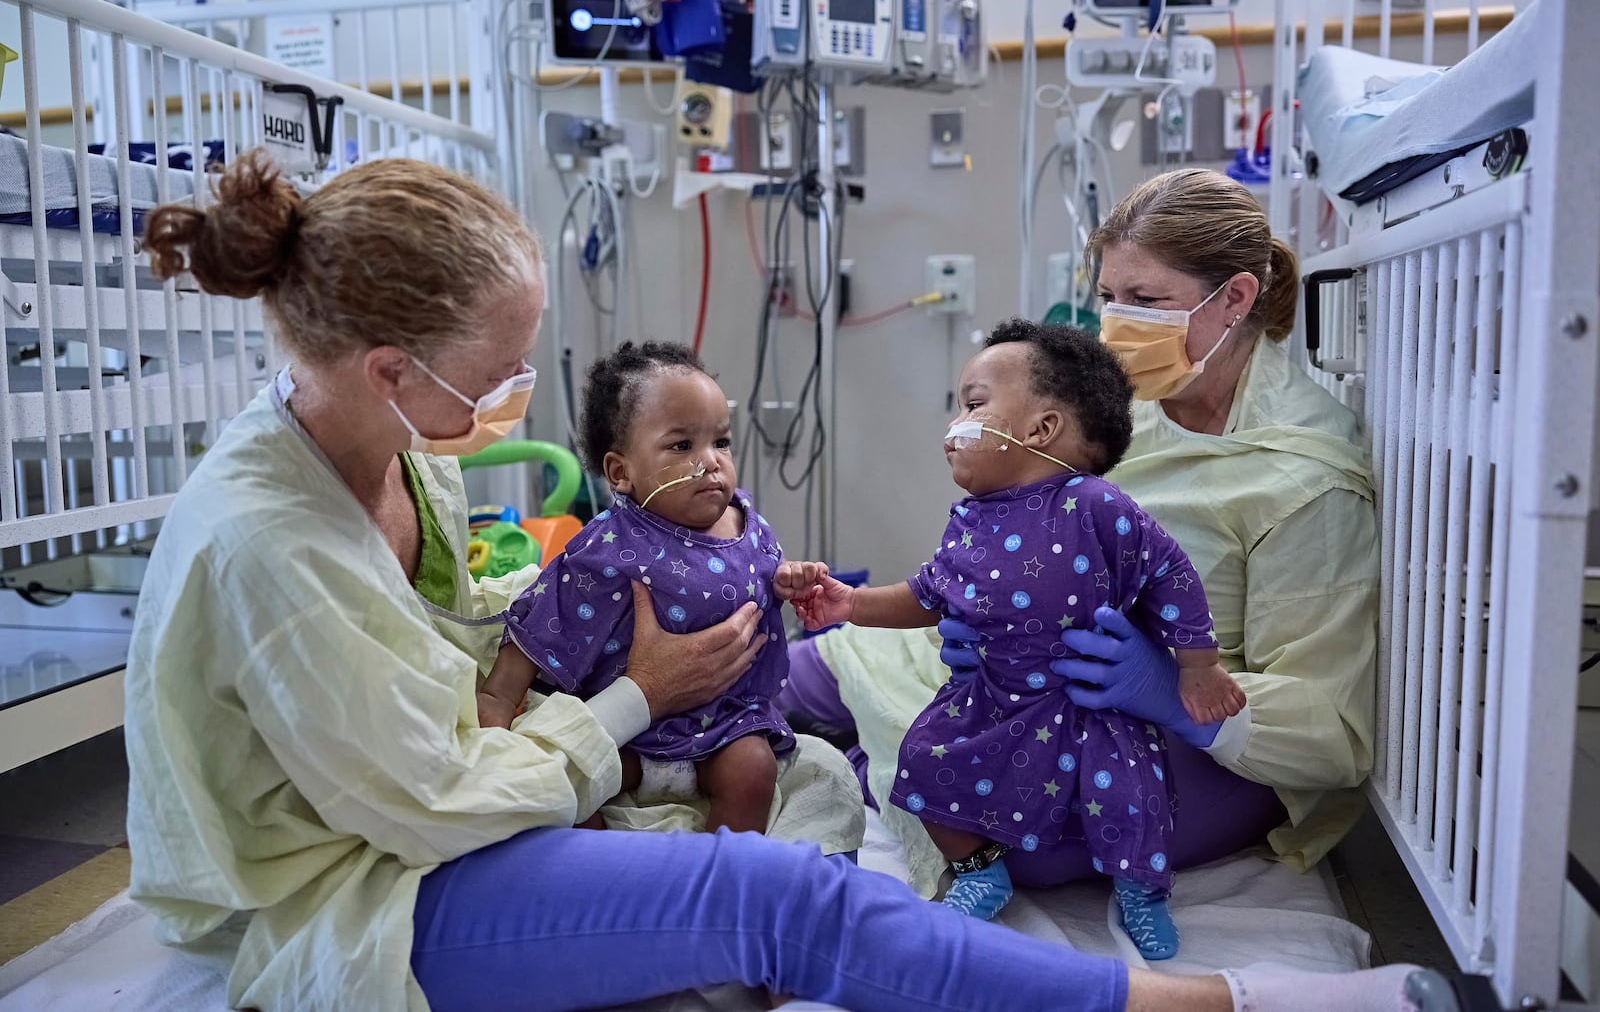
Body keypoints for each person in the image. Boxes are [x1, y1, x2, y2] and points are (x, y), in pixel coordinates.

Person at [121, 150, 1434, 1012]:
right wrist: (628, 705)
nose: (522, 397)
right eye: (508, 369)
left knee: (767, 725)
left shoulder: (412, 453)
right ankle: (1213, 1001)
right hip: (364, 885)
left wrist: (617, 690)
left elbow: (476, 658)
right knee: (778, 884)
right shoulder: (273, 547)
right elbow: (432, 797)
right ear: (397, 369)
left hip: (443, 802)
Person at [781, 167, 1380, 911]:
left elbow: (1335, 731)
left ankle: (841, 771)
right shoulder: (1130, 410)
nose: (1116, 324)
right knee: (780, 674)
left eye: (1148, 300)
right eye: (1110, 296)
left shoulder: (1305, 480)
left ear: (1235, 298)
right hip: (1022, 671)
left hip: (1187, 734)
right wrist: (978, 608)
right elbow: (1021, 513)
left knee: (1018, 841)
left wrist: (1167, 686)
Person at [778, 322, 1232, 960]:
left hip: (1087, 705)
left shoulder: (1093, 505)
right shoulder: (969, 522)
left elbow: (1172, 573)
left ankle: (1142, 891)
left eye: (972, 403)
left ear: (1040, 430)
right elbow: (926, 594)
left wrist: (1195, 668)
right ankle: (980, 868)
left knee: (1128, 797)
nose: (953, 424)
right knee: (924, 761)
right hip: (993, 700)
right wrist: (852, 604)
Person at [482, 341, 797, 835]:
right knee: (568, 785)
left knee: (754, 771)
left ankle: (731, 879)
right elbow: (546, 617)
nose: (710, 462)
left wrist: (792, 580)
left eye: (721, 441)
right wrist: (500, 698)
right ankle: (604, 879)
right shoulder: (609, 544)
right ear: (621, 472)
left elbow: (764, 579)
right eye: (681, 446)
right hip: (628, 732)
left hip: (722, 727)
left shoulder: (747, 522)